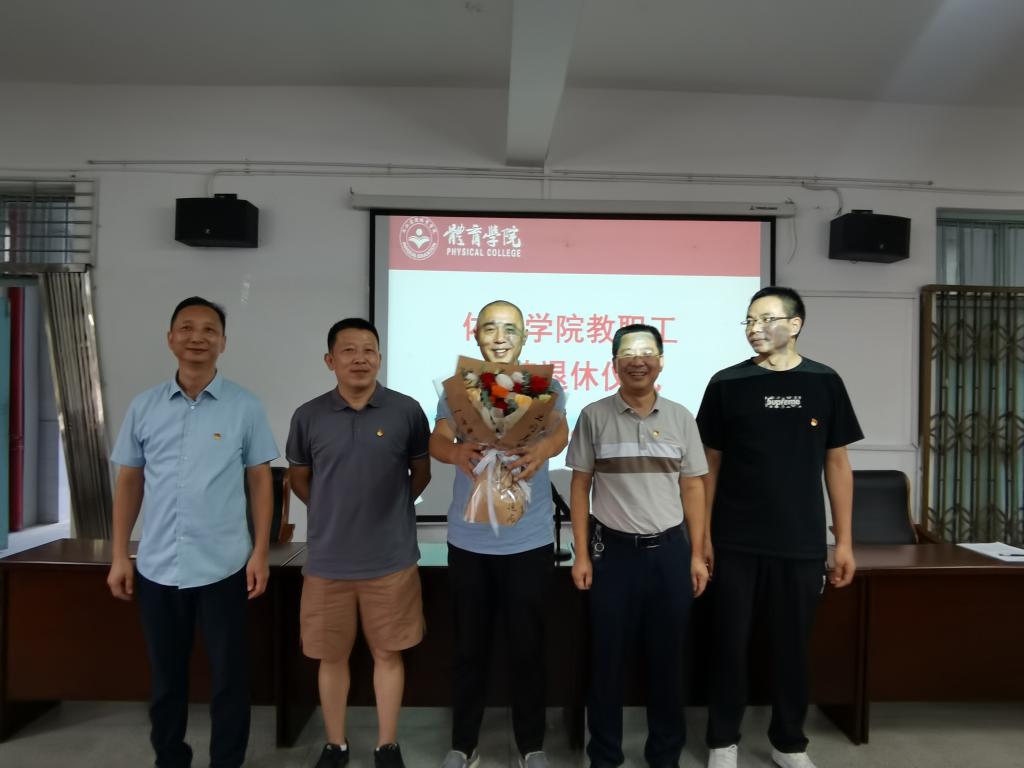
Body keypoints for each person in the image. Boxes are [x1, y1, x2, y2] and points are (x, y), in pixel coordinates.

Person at [107, 296, 278, 768]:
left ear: (223, 342)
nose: (197, 337)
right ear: (170, 339)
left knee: (229, 678)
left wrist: (260, 552)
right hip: (158, 566)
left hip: (225, 565)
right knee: (166, 679)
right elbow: (129, 482)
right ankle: (170, 758)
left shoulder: (244, 406)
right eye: (186, 328)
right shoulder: (144, 407)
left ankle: (227, 761)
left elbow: (260, 481)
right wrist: (120, 555)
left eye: (208, 330)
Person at [697, 287, 862, 768]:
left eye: (766, 319)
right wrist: (702, 537)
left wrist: (844, 541)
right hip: (734, 540)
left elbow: (837, 463)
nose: (755, 328)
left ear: (795, 324)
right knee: (728, 645)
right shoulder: (727, 383)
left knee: (792, 648)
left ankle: (788, 742)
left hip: (800, 542)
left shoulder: (824, 381)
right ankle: (722, 740)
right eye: (749, 320)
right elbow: (708, 466)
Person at [287, 318, 431, 768]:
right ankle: (337, 744)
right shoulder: (308, 415)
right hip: (328, 562)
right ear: (330, 360)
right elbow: (300, 479)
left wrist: (388, 511)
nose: (360, 359)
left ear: (380, 358)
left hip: (391, 560)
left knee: (388, 653)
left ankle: (387, 745)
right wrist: (333, 511)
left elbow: (420, 473)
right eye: (348, 350)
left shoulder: (406, 410)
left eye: (368, 350)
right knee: (331, 657)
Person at [430, 299, 568, 768]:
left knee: (528, 648)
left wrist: (542, 450)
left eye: (511, 329)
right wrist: (456, 452)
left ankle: (531, 745)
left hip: (528, 540)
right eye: (491, 328)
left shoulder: (544, 387)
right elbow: (437, 438)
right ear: (477, 337)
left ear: (525, 337)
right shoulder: (459, 389)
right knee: (469, 647)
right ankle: (463, 744)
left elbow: (561, 433)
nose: (501, 337)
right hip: (469, 540)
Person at [567, 323, 709, 768]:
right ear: (614, 364)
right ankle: (604, 755)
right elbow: (580, 486)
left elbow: (693, 488)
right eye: (628, 353)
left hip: (669, 552)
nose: (638, 360)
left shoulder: (681, 418)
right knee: (607, 660)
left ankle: (664, 755)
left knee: (668, 661)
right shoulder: (593, 416)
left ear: (661, 361)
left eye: (647, 351)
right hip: (613, 554)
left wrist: (697, 554)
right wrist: (581, 553)